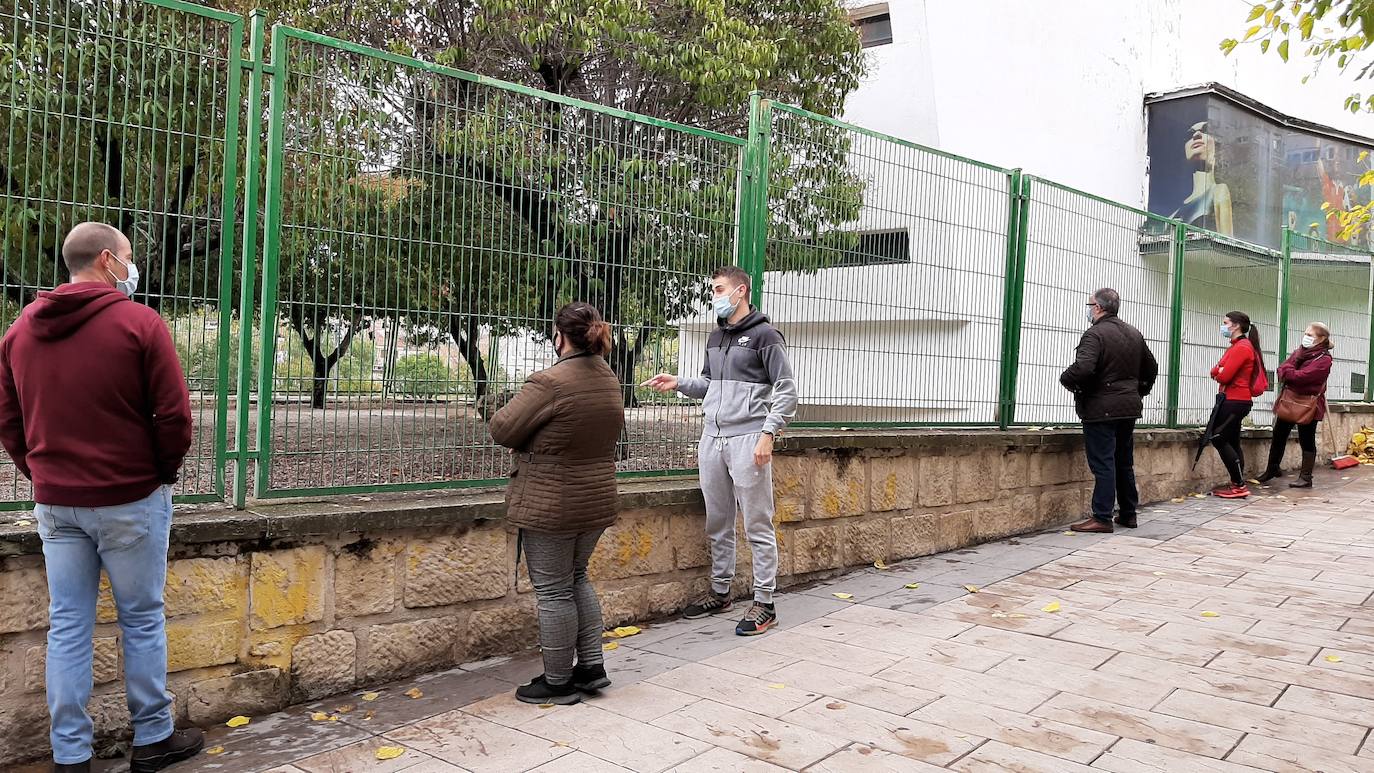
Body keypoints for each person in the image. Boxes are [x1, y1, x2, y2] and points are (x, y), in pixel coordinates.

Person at [0, 223, 198, 772]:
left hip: (56, 504)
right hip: (130, 498)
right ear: (108, 261)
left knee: (68, 622)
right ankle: (154, 740)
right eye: (129, 258)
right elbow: (175, 416)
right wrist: (160, 472)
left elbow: (9, 420)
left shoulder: (19, 334)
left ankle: (70, 757)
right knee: (141, 616)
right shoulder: (139, 324)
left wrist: (41, 473)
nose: (133, 269)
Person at [641, 266, 796, 636]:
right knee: (718, 520)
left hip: (748, 439)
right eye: (713, 290)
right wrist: (679, 382)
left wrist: (768, 434)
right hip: (712, 439)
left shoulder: (766, 336)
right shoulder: (715, 337)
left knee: (757, 521)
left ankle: (765, 602)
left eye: (719, 289)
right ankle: (722, 591)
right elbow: (711, 384)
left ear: (741, 290)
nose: (715, 296)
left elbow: (787, 390)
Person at [485, 302, 626, 706]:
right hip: (596, 497)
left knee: (552, 590)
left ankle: (559, 680)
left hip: (552, 502)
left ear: (559, 335)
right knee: (577, 577)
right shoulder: (607, 376)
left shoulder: (549, 381)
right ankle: (592, 668)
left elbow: (503, 428)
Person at [1059, 289, 1159, 534]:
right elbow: (1151, 368)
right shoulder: (1133, 333)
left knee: (1103, 463)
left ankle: (1102, 517)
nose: (1088, 308)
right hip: (1128, 407)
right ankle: (1128, 513)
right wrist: (1137, 392)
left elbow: (1083, 368)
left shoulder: (1095, 334)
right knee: (1123, 462)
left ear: (1098, 308)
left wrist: (1067, 380)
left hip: (1100, 408)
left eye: (1090, 303)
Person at [1257, 322, 1334, 489]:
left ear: (1321, 339)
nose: (1306, 338)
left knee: (1306, 439)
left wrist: (1289, 374)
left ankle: (1306, 477)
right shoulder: (1300, 351)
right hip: (1290, 399)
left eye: (1310, 335)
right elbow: (1282, 368)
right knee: (1279, 434)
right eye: (1305, 334)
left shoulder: (1324, 359)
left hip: (1309, 404)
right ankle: (1272, 469)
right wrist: (1289, 373)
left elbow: (1303, 377)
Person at [1209, 310, 1267, 499]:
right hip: (1231, 399)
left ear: (1235, 326)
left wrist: (1220, 370)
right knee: (1232, 440)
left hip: (1235, 401)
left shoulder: (1242, 347)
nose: (1223, 326)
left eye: (1225, 322)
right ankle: (1237, 483)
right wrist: (1219, 369)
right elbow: (1216, 370)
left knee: (1218, 437)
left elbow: (1223, 375)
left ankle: (1239, 485)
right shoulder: (1236, 346)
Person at [1169, 121, 1234, 235]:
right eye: (1190, 134)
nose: (1196, 135)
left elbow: (1228, 243)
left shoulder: (1219, 191)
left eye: (1205, 131)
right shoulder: (1175, 212)